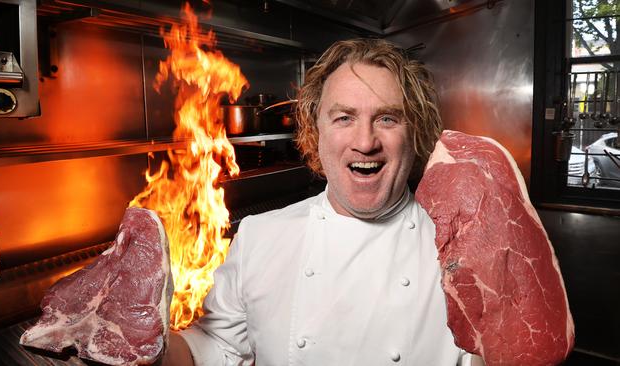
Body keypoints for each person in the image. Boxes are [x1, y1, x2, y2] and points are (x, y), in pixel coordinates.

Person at [163, 38, 485, 366]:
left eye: (387, 118)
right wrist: (152, 349)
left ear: (414, 133)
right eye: (344, 118)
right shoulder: (259, 238)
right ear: (317, 133)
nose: (365, 142)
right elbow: (218, 346)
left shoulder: (459, 250)